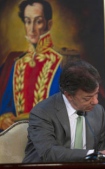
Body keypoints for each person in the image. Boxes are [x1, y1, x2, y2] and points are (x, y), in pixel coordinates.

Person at [23, 60, 105, 162]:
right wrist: (91, 154)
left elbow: (100, 152)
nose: (95, 101)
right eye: (87, 98)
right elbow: (49, 153)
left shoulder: (98, 112)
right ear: (69, 95)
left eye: (96, 94)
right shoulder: (42, 112)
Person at [0, 0, 63, 131]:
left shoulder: (61, 62)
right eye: (28, 21)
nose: (32, 28)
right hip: (18, 138)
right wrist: (4, 119)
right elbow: (6, 106)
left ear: (48, 24)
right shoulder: (18, 64)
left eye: (38, 21)